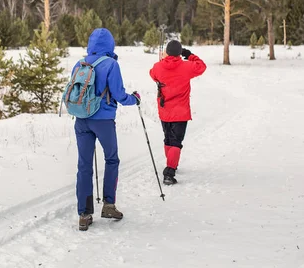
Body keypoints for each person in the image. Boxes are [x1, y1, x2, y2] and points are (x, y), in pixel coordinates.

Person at [70, 28, 140, 231]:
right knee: (111, 159)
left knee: (84, 165)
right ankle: (108, 205)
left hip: (81, 119)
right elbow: (118, 94)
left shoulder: (80, 63)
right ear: (110, 44)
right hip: (103, 121)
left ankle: (84, 214)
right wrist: (133, 100)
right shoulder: (111, 64)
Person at [149, 40, 206, 185]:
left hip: (164, 110)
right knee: (176, 141)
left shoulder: (158, 66)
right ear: (180, 53)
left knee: (168, 138)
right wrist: (190, 55)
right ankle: (169, 172)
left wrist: (162, 60)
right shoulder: (186, 67)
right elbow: (202, 66)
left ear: (167, 51)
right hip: (180, 112)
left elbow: (153, 75)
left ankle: (171, 163)